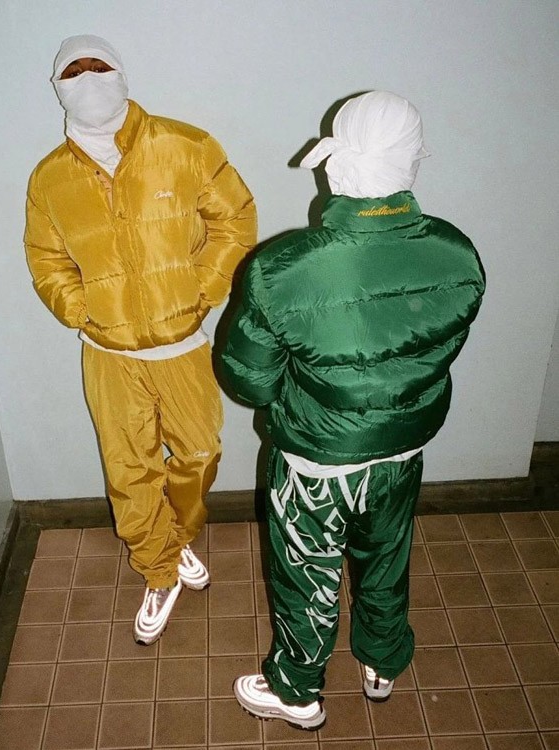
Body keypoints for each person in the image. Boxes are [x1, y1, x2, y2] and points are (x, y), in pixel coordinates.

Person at [222, 91, 485, 730]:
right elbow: (432, 351)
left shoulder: (282, 269)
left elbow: (247, 379)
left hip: (315, 461)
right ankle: (382, 662)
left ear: (338, 164)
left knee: (305, 573)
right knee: (385, 558)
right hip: (404, 450)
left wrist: (295, 400)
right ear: (411, 163)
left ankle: (297, 692)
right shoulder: (457, 253)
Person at [25, 35, 256, 645]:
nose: (88, 79)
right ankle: (158, 568)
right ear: (58, 89)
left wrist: (201, 291)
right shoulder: (50, 178)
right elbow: (46, 259)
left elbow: (235, 221)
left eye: (98, 67)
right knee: (129, 467)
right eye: (73, 72)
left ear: (122, 74)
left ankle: (174, 537)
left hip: (182, 345)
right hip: (108, 354)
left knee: (199, 453)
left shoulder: (187, 146)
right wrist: (82, 312)